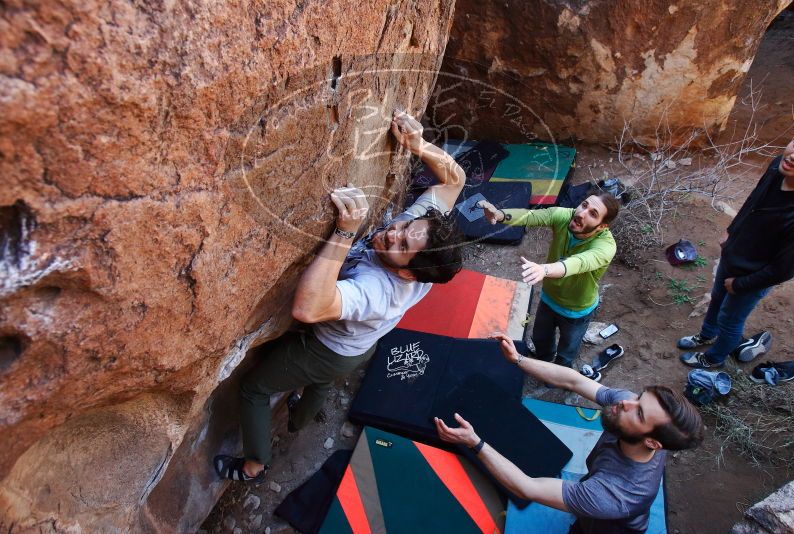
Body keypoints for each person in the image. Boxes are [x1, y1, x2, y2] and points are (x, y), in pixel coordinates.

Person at [214, 110, 466, 482]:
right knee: (320, 382)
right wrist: (419, 145)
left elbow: (308, 307)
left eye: (400, 246)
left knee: (255, 388)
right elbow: (455, 180)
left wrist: (345, 234)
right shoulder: (421, 238)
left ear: (409, 272)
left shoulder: (379, 292)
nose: (393, 233)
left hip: (329, 349)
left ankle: (254, 465)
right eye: (406, 226)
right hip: (358, 344)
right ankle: (299, 419)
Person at [435, 332, 704, 534]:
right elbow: (574, 380)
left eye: (639, 412)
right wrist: (517, 359)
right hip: (598, 487)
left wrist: (475, 442)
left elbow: (527, 487)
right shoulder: (629, 407)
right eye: (640, 397)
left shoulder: (615, 495)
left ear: (652, 442)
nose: (625, 402)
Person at [678, 133, 794, 368]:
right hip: (733, 255)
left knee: (731, 320)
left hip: (751, 277)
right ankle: (706, 335)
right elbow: (755, 200)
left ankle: (714, 358)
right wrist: (731, 230)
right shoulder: (779, 166)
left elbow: (783, 270)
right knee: (716, 300)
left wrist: (740, 284)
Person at [479, 192, 620, 367]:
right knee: (540, 338)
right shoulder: (564, 216)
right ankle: (544, 362)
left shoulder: (606, 246)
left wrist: (544, 269)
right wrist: (499, 215)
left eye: (593, 214)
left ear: (601, 226)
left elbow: (579, 263)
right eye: (584, 205)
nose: (582, 213)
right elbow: (531, 216)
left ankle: (558, 373)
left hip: (577, 310)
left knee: (567, 350)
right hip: (549, 298)